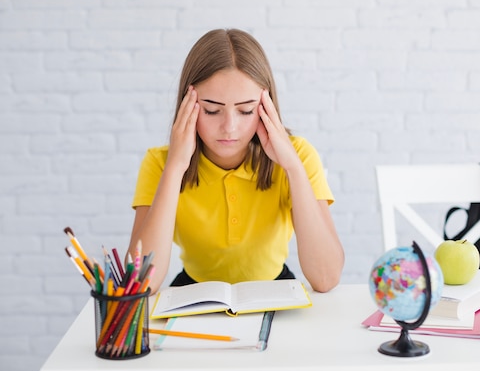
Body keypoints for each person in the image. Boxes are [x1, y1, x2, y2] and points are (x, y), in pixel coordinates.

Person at [127, 28, 344, 294]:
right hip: (194, 293)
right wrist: (175, 168)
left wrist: (292, 168)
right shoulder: (160, 163)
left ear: (266, 107)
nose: (229, 127)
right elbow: (139, 286)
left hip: (274, 289)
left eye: (245, 110)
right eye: (212, 110)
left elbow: (326, 278)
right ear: (188, 104)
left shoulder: (298, 155)